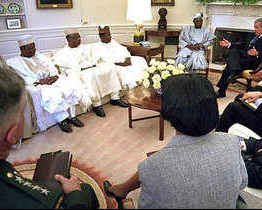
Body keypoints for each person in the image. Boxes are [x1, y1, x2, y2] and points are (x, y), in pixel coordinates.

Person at [0, 66, 100, 209]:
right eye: (23, 116)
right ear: (12, 135)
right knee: (84, 191)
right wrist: (75, 195)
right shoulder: (38, 203)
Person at [103, 74, 248, 208]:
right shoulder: (231, 142)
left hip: (157, 167)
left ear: (167, 112)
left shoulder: (152, 166)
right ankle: (121, 190)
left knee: (155, 166)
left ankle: (120, 191)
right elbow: (242, 183)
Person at [7, 34, 92, 133]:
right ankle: (62, 120)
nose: (34, 50)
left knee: (70, 87)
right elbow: (21, 77)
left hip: (52, 79)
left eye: (34, 47)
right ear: (23, 49)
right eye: (30, 48)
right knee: (53, 95)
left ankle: (72, 117)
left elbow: (52, 67)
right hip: (41, 84)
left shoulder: (41, 57)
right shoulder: (16, 63)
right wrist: (39, 81)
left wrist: (54, 76)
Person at [52, 28, 125, 117]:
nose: (79, 39)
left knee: (110, 68)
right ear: (69, 39)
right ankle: (97, 104)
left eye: (79, 37)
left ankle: (115, 97)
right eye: (76, 38)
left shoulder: (86, 48)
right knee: (90, 76)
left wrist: (94, 63)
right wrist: (79, 68)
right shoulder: (63, 53)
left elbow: (96, 58)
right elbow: (64, 69)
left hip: (91, 67)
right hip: (79, 72)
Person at [216, 18, 262, 98]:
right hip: (243, 58)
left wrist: (257, 53)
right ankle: (233, 72)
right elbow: (242, 45)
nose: (254, 29)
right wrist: (229, 44)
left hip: (254, 61)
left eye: (257, 27)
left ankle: (222, 90)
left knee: (229, 65)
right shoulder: (251, 35)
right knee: (234, 51)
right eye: (254, 27)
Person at [90, 26, 148, 90]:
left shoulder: (113, 42)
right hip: (114, 64)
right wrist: (119, 63)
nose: (110, 36)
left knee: (140, 60)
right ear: (101, 36)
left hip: (124, 61)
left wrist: (128, 59)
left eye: (110, 34)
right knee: (124, 69)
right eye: (108, 35)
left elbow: (124, 50)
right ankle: (133, 87)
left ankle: (145, 80)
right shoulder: (96, 47)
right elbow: (99, 61)